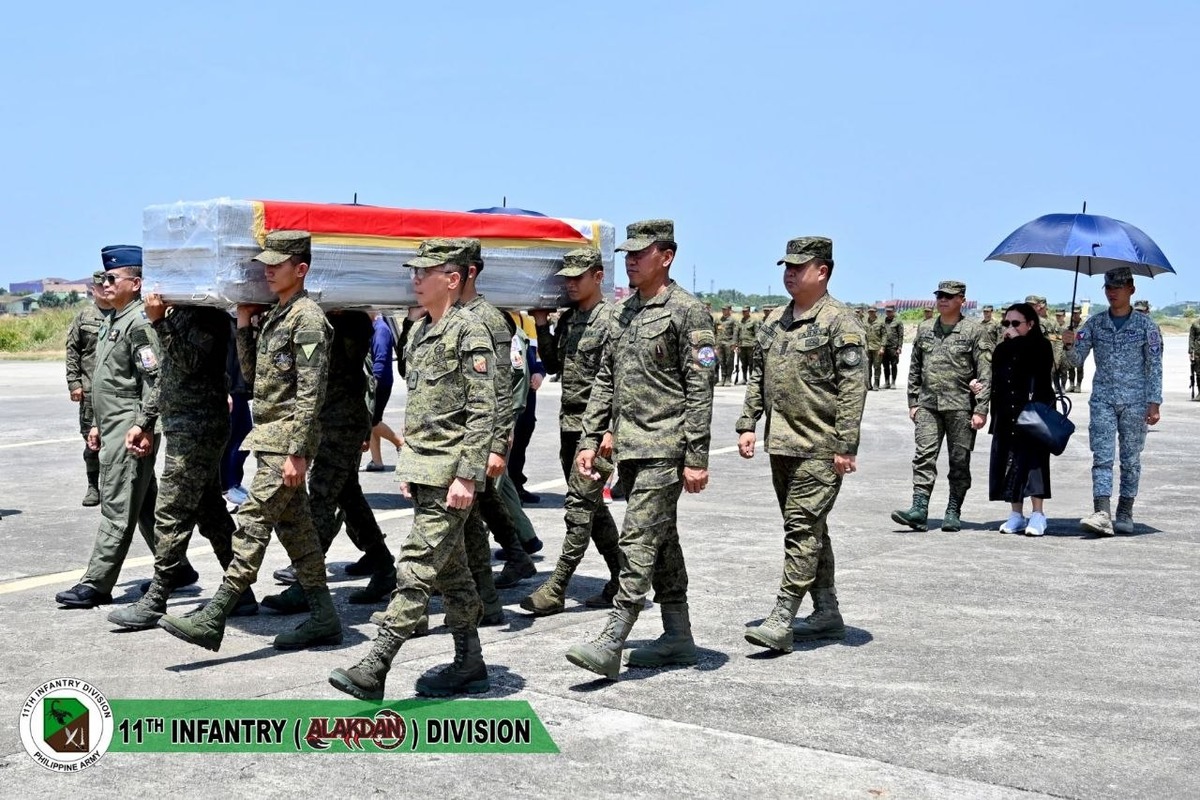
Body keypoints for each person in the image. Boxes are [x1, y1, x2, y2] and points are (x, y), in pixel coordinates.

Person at [157, 230, 342, 652]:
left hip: (286, 443)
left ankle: (214, 616)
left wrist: (298, 452)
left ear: (301, 269)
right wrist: (244, 324)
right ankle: (325, 617)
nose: (268, 270)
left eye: (277, 264)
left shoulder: (308, 319)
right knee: (297, 532)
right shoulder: (278, 315)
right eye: (266, 263)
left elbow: (311, 392)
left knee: (253, 523)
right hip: (269, 438)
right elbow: (254, 377)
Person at [329, 237, 496, 700]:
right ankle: (470, 662)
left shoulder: (471, 332)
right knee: (453, 573)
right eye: (414, 272)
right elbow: (422, 411)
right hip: (425, 471)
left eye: (425, 272)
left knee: (416, 567)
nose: (415, 279)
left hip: (451, 476)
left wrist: (467, 475)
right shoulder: (419, 332)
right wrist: (408, 466)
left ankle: (375, 665)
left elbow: (483, 411)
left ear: (453, 279)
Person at [565, 219, 715, 681]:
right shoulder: (622, 313)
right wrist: (590, 439)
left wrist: (696, 457)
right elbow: (605, 380)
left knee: (637, 540)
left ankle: (613, 637)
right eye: (627, 254)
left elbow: (700, 389)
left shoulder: (688, 312)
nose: (630, 261)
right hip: (629, 448)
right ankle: (678, 636)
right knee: (661, 540)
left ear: (666, 257)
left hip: (666, 447)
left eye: (639, 253)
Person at [737, 236, 866, 652]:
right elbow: (758, 375)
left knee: (801, 529)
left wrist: (846, 444)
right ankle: (827, 612)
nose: (789, 274)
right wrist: (748, 423)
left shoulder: (840, 322)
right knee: (811, 530)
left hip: (820, 447)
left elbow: (853, 389)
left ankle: (783, 616)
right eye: (787, 267)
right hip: (781, 444)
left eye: (799, 267)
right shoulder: (775, 320)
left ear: (822, 271)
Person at [108, 298, 257, 629]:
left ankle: (157, 598)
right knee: (210, 511)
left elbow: (189, 361)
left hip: (198, 428)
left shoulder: (208, 318)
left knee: (171, 510)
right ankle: (241, 592)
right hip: (184, 426)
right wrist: (145, 421)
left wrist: (159, 322)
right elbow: (168, 374)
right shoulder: (180, 315)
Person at [56, 246, 169, 609]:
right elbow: (106, 381)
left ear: (136, 284)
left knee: (118, 504)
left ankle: (97, 582)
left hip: (130, 427)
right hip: (112, 424)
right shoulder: (113, 320)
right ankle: (177, 567)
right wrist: (96, 424)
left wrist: (145, 425)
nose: (104, 283)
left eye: (112, 278)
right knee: (144, 503)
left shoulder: (139, 323)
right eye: (103, 278)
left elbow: (154, 380)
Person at [264, 310, 397, 609]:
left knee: (322, 498)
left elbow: (348, 356)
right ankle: (384, 568)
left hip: (342, 423)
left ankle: (307, 584)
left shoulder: (351, 321)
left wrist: (331, 311)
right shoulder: (313, 317)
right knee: (349, 499)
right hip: (326, 421)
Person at [522, 247, 622, 615]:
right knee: (593, 509)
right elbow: (552, 366)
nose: (571, 284)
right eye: (567, 278)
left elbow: (622, 381)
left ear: (598, 276)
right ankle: (624, 578)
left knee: (579, 508)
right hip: (569, 427)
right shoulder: (569, 319)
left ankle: (557, 587)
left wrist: (610, 431)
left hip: (596, 432)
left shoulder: (614, 321)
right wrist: (542, 326)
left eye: (578, 277)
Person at [1063, 267, 1162, 536]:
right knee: (1102, 457)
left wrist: (1154, 402)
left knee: (1130, 459)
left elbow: (1154, 366)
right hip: (1103, 400)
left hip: (1136, 402)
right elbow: (1075, 361)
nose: (1112, 292)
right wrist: (1069, 344)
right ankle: (1102, 512)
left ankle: (1125, 511)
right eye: (1108, 287)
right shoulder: (1094, 324)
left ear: (1131, 289)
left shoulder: (1147, 327)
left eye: (1118, 287)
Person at [891, 280, 990, 532]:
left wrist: (981, 409)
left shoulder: (975, 331)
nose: (942, 300)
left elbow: (985, 373)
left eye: (948, 296)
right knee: (923, 456)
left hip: (961, 407)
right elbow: (915, 367)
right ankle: (919, 509)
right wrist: (913, 402)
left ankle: (953, 510)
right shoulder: (925, 329)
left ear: (961, 300)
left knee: (959, 460)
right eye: (939, 296)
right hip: (928, 405)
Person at [981, 303, 1055, 537]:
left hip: (1033, 414)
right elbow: (996, 377)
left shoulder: (1041, 346)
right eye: (1006, 323)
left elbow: (1038, 369)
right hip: (1007, 413)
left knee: (1034, 463)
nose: (1010, 327)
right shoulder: (1002, 349)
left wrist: (1017, 342)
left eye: (1016, 323)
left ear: (1030, 324)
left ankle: (1038, 514)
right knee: (1010, 463)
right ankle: (1016, 514)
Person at [64, 272, 111, 507]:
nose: (105, 289)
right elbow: (72, 351)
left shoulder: (123, 314)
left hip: (115, 391)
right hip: (90, 390)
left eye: (108, 284)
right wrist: (74, 383)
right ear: (94, 289)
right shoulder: (84, 317)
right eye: (100, 286)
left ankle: (112, 488)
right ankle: (93, 486)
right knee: (91, 442)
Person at [508, 313, 546, 504]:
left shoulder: (526, 322)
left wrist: (539, 373)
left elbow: (538, 355)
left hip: (527, 392)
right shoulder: (495, 315)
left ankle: (516, 484)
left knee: (522, 435)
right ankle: (504, 491)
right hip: (506, 390)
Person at [220, 320, 253, 504]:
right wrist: (223, 390)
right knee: (229, 441)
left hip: (240, 389)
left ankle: (234, 482)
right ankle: (226, 486)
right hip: (230, 390)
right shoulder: (225, 323)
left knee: (244, 437)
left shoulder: (238, 321)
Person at [365, 312, 403, 471]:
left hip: (380, 383)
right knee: (373, 420)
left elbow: (380, 360)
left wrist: (373, 385)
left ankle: (400, 443)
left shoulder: (380, 330)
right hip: (377, 382)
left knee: (371, 421)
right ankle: (377, 461)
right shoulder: (375, 327)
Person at [882, 304, 904, 389]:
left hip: (893, 347)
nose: (888, 313)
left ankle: (893, 382)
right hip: (885, 347)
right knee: (885, 366)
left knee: (894, 365)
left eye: (890, 311)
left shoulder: (898, 322)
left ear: (894, 311)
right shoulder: (883, 321)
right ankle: (887, 382)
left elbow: (901, 335)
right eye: (887, 311)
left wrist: (899, 347)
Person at [716, 303, 738, 386]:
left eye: (725, 309)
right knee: (721, 361)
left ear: (729, 310)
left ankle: (728, 378)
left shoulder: (733, 320)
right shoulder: (719, 320)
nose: (723, 311)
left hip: (729, 343)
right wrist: (715, 343)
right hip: (720, 344)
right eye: (722, 309)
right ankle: (723, 378)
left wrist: (734, 343)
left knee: (729, 361)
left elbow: (735, 333)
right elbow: (716, 332)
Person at [736, 305, 758, 385]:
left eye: (745, 311)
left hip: (750, 345)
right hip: (742, 345)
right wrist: (736, 344)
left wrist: (755, 344)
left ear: (749, 311)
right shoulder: (740, 321)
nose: (744, 312)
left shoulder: (753, 321)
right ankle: (744, 378)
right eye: (743, 311)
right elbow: (737, 333)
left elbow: (757, 333)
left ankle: (751, 378)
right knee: (743, 364)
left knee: (751, 363)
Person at [1064, 306, 1084, 393]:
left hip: (1080, 347)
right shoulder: (1069, 324)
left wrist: (1074, 336)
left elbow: (1083, 335)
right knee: (1070, 367)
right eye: (1074, 313)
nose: (1075, 315)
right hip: (1070, 347)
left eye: (1077, 313)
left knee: (1079, 367)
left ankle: (1078, 385)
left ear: (1080, 313)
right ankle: (1072, 385)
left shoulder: (1084, 324)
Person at [865, 306, 884, 390]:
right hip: (867, 348)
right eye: (870, 311)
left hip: (877, 348)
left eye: (873, 311)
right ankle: (869, 384)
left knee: (877, 366)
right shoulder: (865, 322)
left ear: (876, 312)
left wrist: (882, 347)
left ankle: (876, 383)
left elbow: (884, 335)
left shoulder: (880, 322)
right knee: (867, 367)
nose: (871, 313)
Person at [1190, 312, 1200, 400]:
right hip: (1198, 352)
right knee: (1198, 373)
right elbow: (1191, 338)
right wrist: (1191, 352)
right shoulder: (1195, 324)